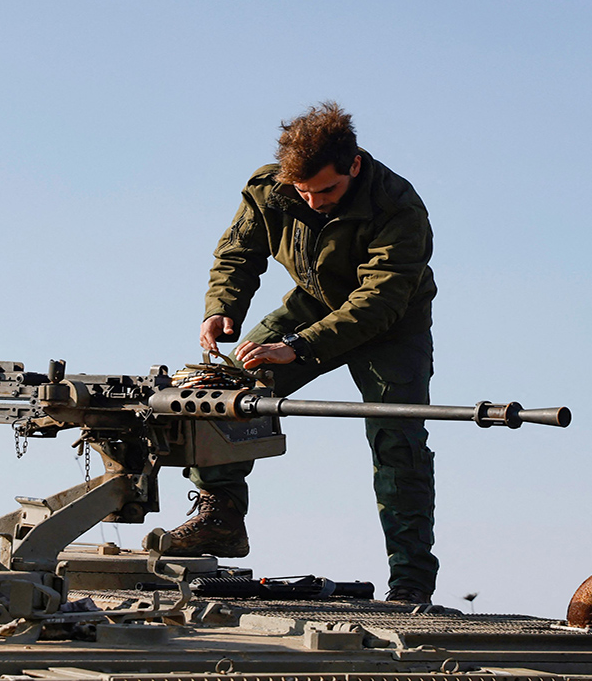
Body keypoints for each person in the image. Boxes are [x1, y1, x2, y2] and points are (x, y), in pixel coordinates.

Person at [165, 102, 439, 604]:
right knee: (219, 395)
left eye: (326, 190)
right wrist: (222, 307)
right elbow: (238, 252)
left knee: (397, 439)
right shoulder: (271, 188)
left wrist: (298, 347)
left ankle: (411, 580)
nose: (313, 203)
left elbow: (378, 300)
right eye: (302, 192)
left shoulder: (399, 208)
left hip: (391, 324)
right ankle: (221, 515)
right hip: (312, 305)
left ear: (354, 165)